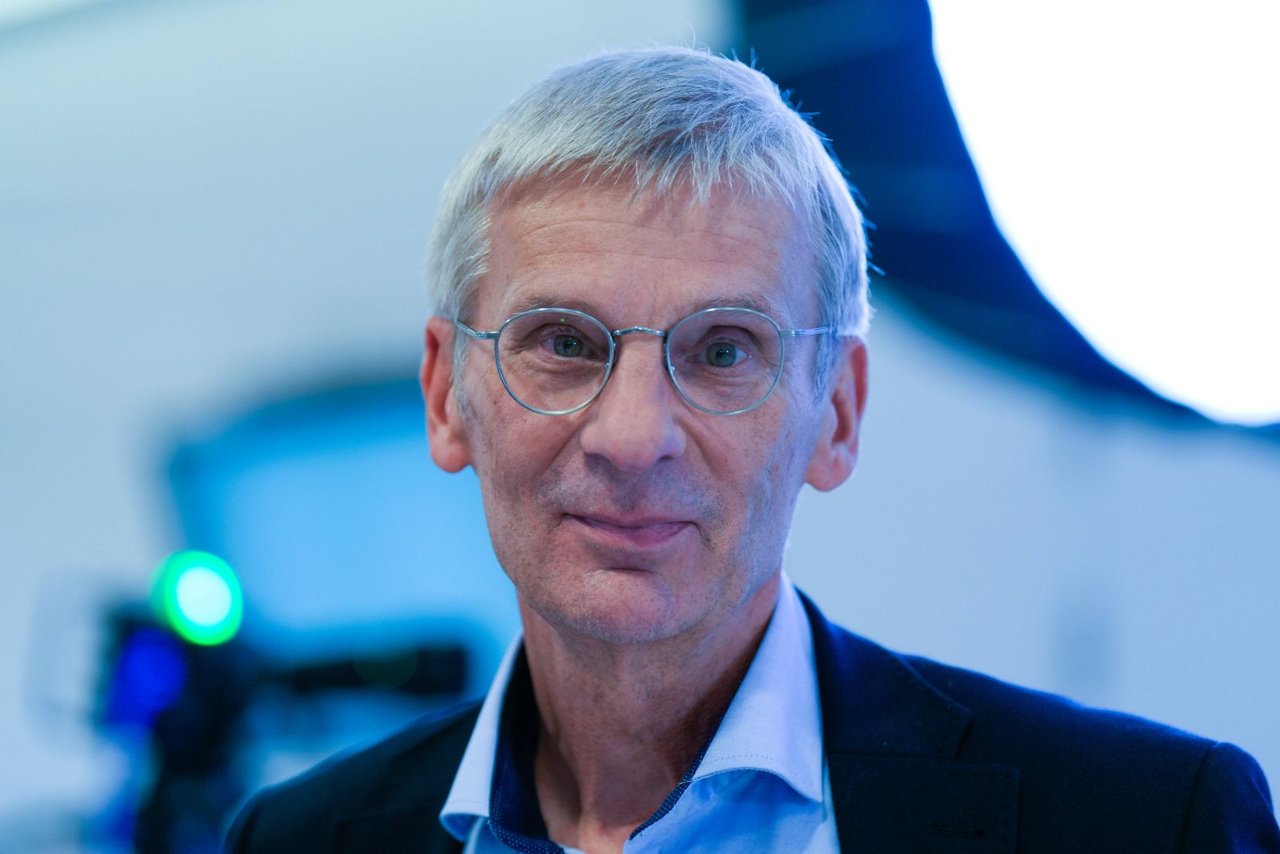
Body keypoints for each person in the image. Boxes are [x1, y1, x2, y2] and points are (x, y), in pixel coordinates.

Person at [227, 47, 1279, 853]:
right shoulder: (297, 842)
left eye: (723, 350)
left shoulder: (1142, 825)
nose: (633, 437)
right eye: (563, 344)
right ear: (444, 395)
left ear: (837, 413)